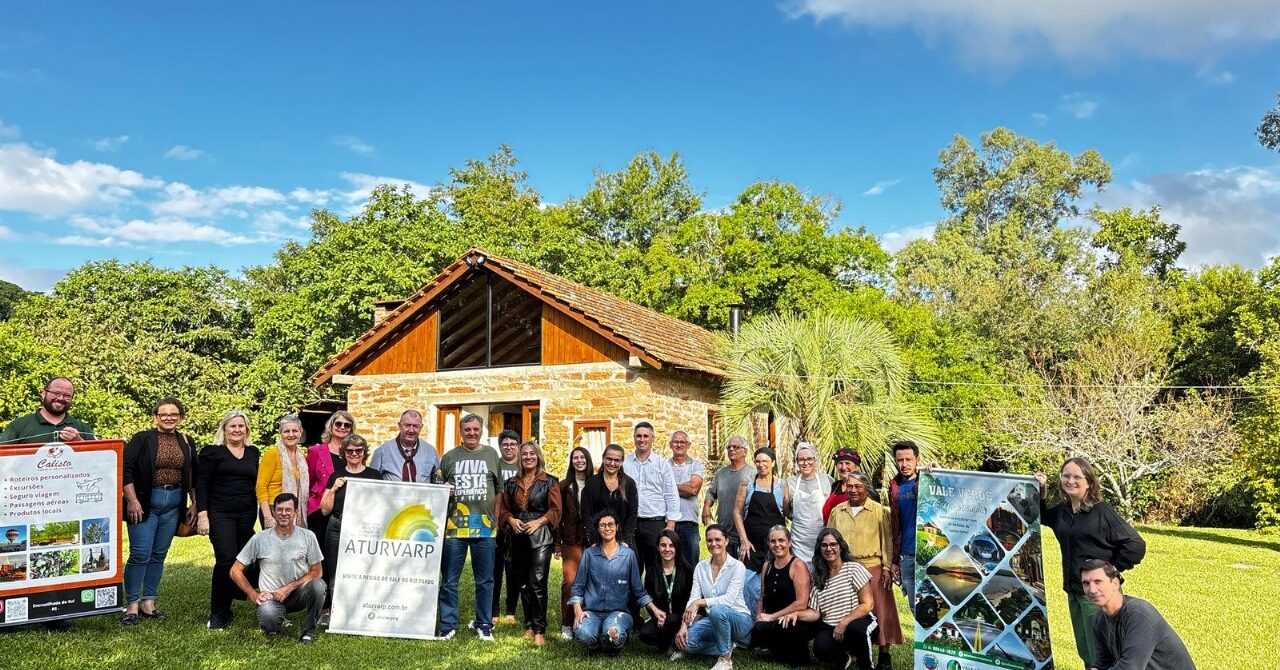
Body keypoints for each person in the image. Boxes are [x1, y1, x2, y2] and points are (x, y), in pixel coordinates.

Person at [1035, 457, 1146, 668]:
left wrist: (1110, 571)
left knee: (1103, 654)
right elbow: (1041, 517)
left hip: (1097, 593)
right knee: (1086, 651)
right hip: (1075, 591)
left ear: (1089, 482)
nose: (1070, 481)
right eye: (1066, 476)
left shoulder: (1101, 511)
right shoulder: (1063, 510)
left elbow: (1135, 545)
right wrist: (1041, 489)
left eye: (1077, 477)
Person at [121, 396, 197, 626]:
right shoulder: (141, 439)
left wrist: (195, 502)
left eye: (174, 414)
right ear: (155, 417)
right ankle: (132, 605)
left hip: (173, 502)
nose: (168, 418)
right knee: (140, 553)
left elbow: (193, 473)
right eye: (163, 414)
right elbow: (125, 469)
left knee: (158, 554)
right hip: (144, 503)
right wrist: (132, 500)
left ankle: (149, 603)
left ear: (180, 417)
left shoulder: (186, 441)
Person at [828, 471, 902, 670]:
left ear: (866, 489)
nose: (853, 490)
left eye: (858, 486)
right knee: (848, 611)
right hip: (845, 569)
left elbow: (888, 540)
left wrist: (887, 567)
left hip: (873, 568)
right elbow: (829, 539)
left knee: (881, 612)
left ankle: (884, 656)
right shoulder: (837, 511)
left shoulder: (879, 511)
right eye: (850, 486)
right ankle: (850, 651)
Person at [438, 413, 503, 641]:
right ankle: (448, 625)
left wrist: (496, 519)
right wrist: (444, 490)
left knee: (485, 580)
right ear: (461, 432)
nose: (472, 433)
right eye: (467, 430)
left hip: (485, 528)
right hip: (454, 528)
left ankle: (484, 624)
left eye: (476, 429)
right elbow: (438, 489)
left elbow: (499, 491)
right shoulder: (449, 457)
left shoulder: (491, 454)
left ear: (481, 431)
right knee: (449, 580)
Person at [230, 493, 326, 644]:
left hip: (298, 594)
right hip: (271, 597)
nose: (283, 513)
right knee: (270, 624)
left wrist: (289, 587)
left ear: (295, 512)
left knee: (318, 586)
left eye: (288, 510)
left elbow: (317, 571)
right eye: (279, 509)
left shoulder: (308, 536)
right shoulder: (259, 539)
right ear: (273, 512)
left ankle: (308, 631)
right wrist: (253, 595)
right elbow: (235, 570)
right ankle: (276, 617)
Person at [197, 410, 261, 630]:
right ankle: (219, 612)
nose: (237, 430)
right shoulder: (212, 452)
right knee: (225, 560)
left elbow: (257, 484)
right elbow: (202, 484)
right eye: (232, 426)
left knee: (247, 560)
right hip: (220, 513)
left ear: (247, 430)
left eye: (241, 426)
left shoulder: (253, 453)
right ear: (224, 429)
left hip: (246, 514)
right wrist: (202, 514)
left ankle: (238, 592)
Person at [780, 528, 878, 670]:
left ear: (840, 547)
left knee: (856, 629)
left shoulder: (854, 568)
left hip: (859, 622)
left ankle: (866, 666)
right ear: (819, 549)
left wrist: (843, 623)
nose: (829, 549)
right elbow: (815, 613)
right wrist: (795, 614)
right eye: (824, 545)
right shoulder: (817, 578)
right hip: (831, 627)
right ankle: (845, 657)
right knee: (820, 648)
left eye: (833, 544)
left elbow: (867, 604)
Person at [569, 511, 663, 655]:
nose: (607, 528)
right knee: (583, 633)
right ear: (598, 529)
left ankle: (615, 644)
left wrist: (655, 610)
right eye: (602, 525)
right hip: (592, 612)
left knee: (614, 631)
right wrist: (578, 610)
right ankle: (594, 644)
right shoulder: (589, 554)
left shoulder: (628, 555)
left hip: (619, 612)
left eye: (610, 524)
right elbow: (578, 587)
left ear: (617, 527)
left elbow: (638, 590)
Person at [496, 441, 561, 646]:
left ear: (538, 456)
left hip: (540, 535)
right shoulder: (511, 483)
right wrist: (511, 520)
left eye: (532, 453)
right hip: (518, 535)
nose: (528, 457)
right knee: (522, 582)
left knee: (538, 582)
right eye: (524, 454)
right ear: (520, 458)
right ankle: (529, 626)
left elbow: (556, 510)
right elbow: (504, 510)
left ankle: (540, 629)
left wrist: (539, 521)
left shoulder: (550, 481)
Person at [1082, 559, 1196, 670]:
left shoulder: (1138, 615)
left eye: (1098, 582)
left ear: (1115, 583)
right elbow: (1101, 664)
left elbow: (1131, 667)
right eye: (1086, 583)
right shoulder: (1100, 619)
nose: (1092, 590)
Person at [674, 524, 752, 670]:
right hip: (713, 620)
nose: (713, 543)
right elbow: (693, 598)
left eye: (718, 539)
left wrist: (700, 602)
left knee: (717, 610)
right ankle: (727, 645)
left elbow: (728, 600)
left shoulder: (737, 566)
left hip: (739, 619)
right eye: (709, 540)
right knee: (687, 644)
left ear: (726, 541)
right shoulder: (700, 567)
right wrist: (684, 626)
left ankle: (725, 660)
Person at [319, 433, 380, 619]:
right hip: (338, 526)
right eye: (350, 451)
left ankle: (360, 613)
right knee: (335, 572)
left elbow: (383, 505)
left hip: (365, 529)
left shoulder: (374, 476)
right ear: (344, 453)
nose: (354, 454)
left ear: (364, 452)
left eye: (358, 450)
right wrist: (333, 489)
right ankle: (337, 615)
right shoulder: (336, 476)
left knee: (363, 571)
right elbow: (324, 510)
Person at [624, 421, 681, 583]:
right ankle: (632, 600)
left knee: (655, 568)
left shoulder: (662, 464)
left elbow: (671, 494)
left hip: (655, 524)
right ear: (634, 438)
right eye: (638, 436)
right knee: (630, 567)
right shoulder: (625, 464)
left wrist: (670, 525)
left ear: (652, 439)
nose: (642, 439)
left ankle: (655, 600)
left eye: (645, 436)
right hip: (630, 524)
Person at [750, 525, 813, 666]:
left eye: (781, 540)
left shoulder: (798, 565)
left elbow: (802, 602)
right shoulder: (767, 565)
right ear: (769, 544)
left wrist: (772, 617)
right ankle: (777, 647)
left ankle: (795, 652)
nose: (777, 545)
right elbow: (762, 596)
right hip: (773, 619)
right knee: (759, 630)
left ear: (789, 542)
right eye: (773, 541)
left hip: (794, 619)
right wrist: (759, 617)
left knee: (785, 633)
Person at [639, 529, 694, 659]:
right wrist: (657, 617)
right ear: (658, 548)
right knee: (645, 633)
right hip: (662, 618)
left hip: (681, 619)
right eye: (663, 545)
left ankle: (675, 644)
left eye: (671, 545)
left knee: (672, 619)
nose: (667, 549)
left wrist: (683, 622)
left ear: (677, 548)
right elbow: (650, 600)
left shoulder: (687, 571)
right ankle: (667, 646)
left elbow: (691, 600)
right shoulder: (652, 572)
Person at [733, 447, 790, 572]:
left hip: (775, 546)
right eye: (758, 461)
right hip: (751, 545)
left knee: (774, 578)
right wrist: (744, 540)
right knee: (748, 579)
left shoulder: (782, 484)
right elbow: (737, 512)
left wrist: (787, 501)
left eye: (765, 461)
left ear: (773, 463)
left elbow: (786, 513)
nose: (761, 464)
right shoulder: (747, 482)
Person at [557, 446, 593, 640]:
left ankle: (587, 620)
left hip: (592, 540)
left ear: (587, 460)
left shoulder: (596, 483)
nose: (579, 461)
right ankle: (567, 623)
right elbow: (557, 516)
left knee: (592, 581)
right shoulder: (563, 486)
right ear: (571, 462)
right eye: (575, 458)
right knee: (570, 581)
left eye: (582, 457)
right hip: (571, 540)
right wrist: (557, 543)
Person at [306, 411, 355, 548]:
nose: (342, 427)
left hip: (346, 511)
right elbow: (308, 482)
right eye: (338, 424)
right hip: (320, 509)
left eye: (347, 425)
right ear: (331, 426)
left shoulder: (354, 453)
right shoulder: (316, 451)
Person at [0, 377, 94, 444]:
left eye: (67, 395)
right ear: (43, 394)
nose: (61, 398)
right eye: (56, 393)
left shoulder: (82, 428)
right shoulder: (18, 426)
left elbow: (97, 460)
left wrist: (79, 442)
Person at [491, 429, 523, 626]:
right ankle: (493, 610)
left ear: (518, 446)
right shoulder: (495, 465)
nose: (509, 447)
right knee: (495, 570)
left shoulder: (523, 466)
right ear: (500, 447)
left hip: (518, 525)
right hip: (498, 524)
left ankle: (510, 610)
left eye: (513, 444)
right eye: (505, 444)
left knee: (514, 570)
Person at [256, 414, 309, 530]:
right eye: (286, 431)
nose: (291, 435)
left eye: (295, 431)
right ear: (280, 434)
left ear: (301, 432)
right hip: (274, 509)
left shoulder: (302, 457)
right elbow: (261, 486)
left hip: (292, 509)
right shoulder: (272, 454)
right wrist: (268, 516)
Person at [580, 443, 638, 547]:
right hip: (597, 542)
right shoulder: (591, 483)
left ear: (622, 462)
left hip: (622, 542)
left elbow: (632, 514)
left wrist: (626, 541)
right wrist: (593, 540)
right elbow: (586, 512)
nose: (612, 463)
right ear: (603, 458)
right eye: (609, 459)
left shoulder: (629, 484)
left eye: (617, 460)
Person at [786, 443, 834, 564]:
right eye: (801, 459)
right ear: (797, 462)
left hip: (822, 539)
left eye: (809, 459)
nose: (805, 463)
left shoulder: (826, 480)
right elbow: (786, 511)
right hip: (798, 540)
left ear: (815, 460)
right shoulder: (790, 482)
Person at [703, 435, 750, 558]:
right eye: (729, 447)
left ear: (745, 452)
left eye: (736, 447)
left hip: (744, 533)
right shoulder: (721, 473)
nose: (731, 449)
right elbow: (711, 492)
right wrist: (706, 507)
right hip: (724, 532)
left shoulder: (752, 474)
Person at [887, 440, 920, 603]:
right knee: (914, 606)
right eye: (900, 460)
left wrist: (938, 471)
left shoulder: (927, 481)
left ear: (917, 460)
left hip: (928, 553)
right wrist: (894, 561)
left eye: (909, 459)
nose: (904, 464)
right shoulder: (894, 487)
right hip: (906, 555)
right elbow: (895, 526)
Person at [369, 409, 440, 483]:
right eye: (407, 425)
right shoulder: (382, 452)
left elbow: (438, 483)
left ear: (421, 427)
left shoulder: (431, 452)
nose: (411, 430)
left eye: (416, 426)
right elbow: (372, 483)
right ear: (399, 425)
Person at [667, 430, 704, 568]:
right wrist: (684, 486)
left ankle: (691, 584)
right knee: (668, 564)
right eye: (676, 442)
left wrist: (669, 487)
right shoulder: (664, 465)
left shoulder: (696, 464)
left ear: (688, 445)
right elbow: (659, 489)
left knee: (690, 564)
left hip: (689, 521)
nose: (679, 445)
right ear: (670, 445)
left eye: (682, 442)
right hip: (668, 521)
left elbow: (693, 489)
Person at [822, 448, 879, 522]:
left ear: (856, 466)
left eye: (847, 463)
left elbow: (874, 514)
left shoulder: (865, 487)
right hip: (831, 527)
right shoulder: (835, 486)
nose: (843, 467)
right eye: (840, 463)